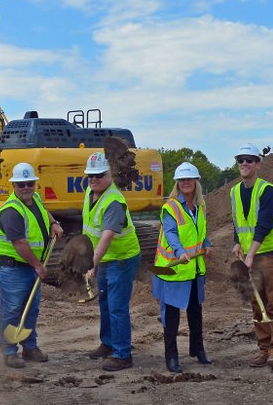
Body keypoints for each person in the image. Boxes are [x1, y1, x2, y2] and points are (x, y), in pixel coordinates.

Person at [0, 162, 64, 368]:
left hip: (29, 266)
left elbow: (43, 210)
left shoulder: (34, 199)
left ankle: (30, 347)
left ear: (34, 184)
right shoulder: (11, 211)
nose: (26, 187)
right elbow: (20, 244)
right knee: (13, 309)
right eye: (21, 184)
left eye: (30, 183)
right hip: (13, 267)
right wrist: (38, 266)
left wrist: (53, 223)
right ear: (14, 186)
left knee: (31, 309)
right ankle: (8, 351)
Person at [230, 143, 273, 370]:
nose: (244, 163)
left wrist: (251, 255)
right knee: (257, 303)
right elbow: (238, 221)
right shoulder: (234, 192)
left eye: (249, 160)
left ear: (258, 164)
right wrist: (237, 242)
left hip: (270, 254)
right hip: (249, 254)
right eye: (240, 160)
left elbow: (263, 225)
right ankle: (263, 348)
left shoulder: (268, 191)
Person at [83, 151, 141, 371]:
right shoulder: (91, 191)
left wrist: (92, 264)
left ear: (109, 175)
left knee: (117, 307)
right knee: (105, 303)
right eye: (90, 175)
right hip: (106, 258)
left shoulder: (114, 202)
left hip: (121, 259)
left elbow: (107, 236)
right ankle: (108, 344)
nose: (94, 179)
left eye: (99, 175)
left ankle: (123, 354)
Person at [153, 162, 211, 373]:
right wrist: (179, 252)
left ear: (196, 182)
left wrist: (206, 245)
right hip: (174, 268)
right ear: (177, 183)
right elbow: (170, 233)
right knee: (171, 314)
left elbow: (200, 233)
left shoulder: (200, 207)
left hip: (194, 268)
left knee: (196, 311)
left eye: (190, 179)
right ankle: (172, 356)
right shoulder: (170, 208)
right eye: (182, 180)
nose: (186, 183)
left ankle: (198, 349)